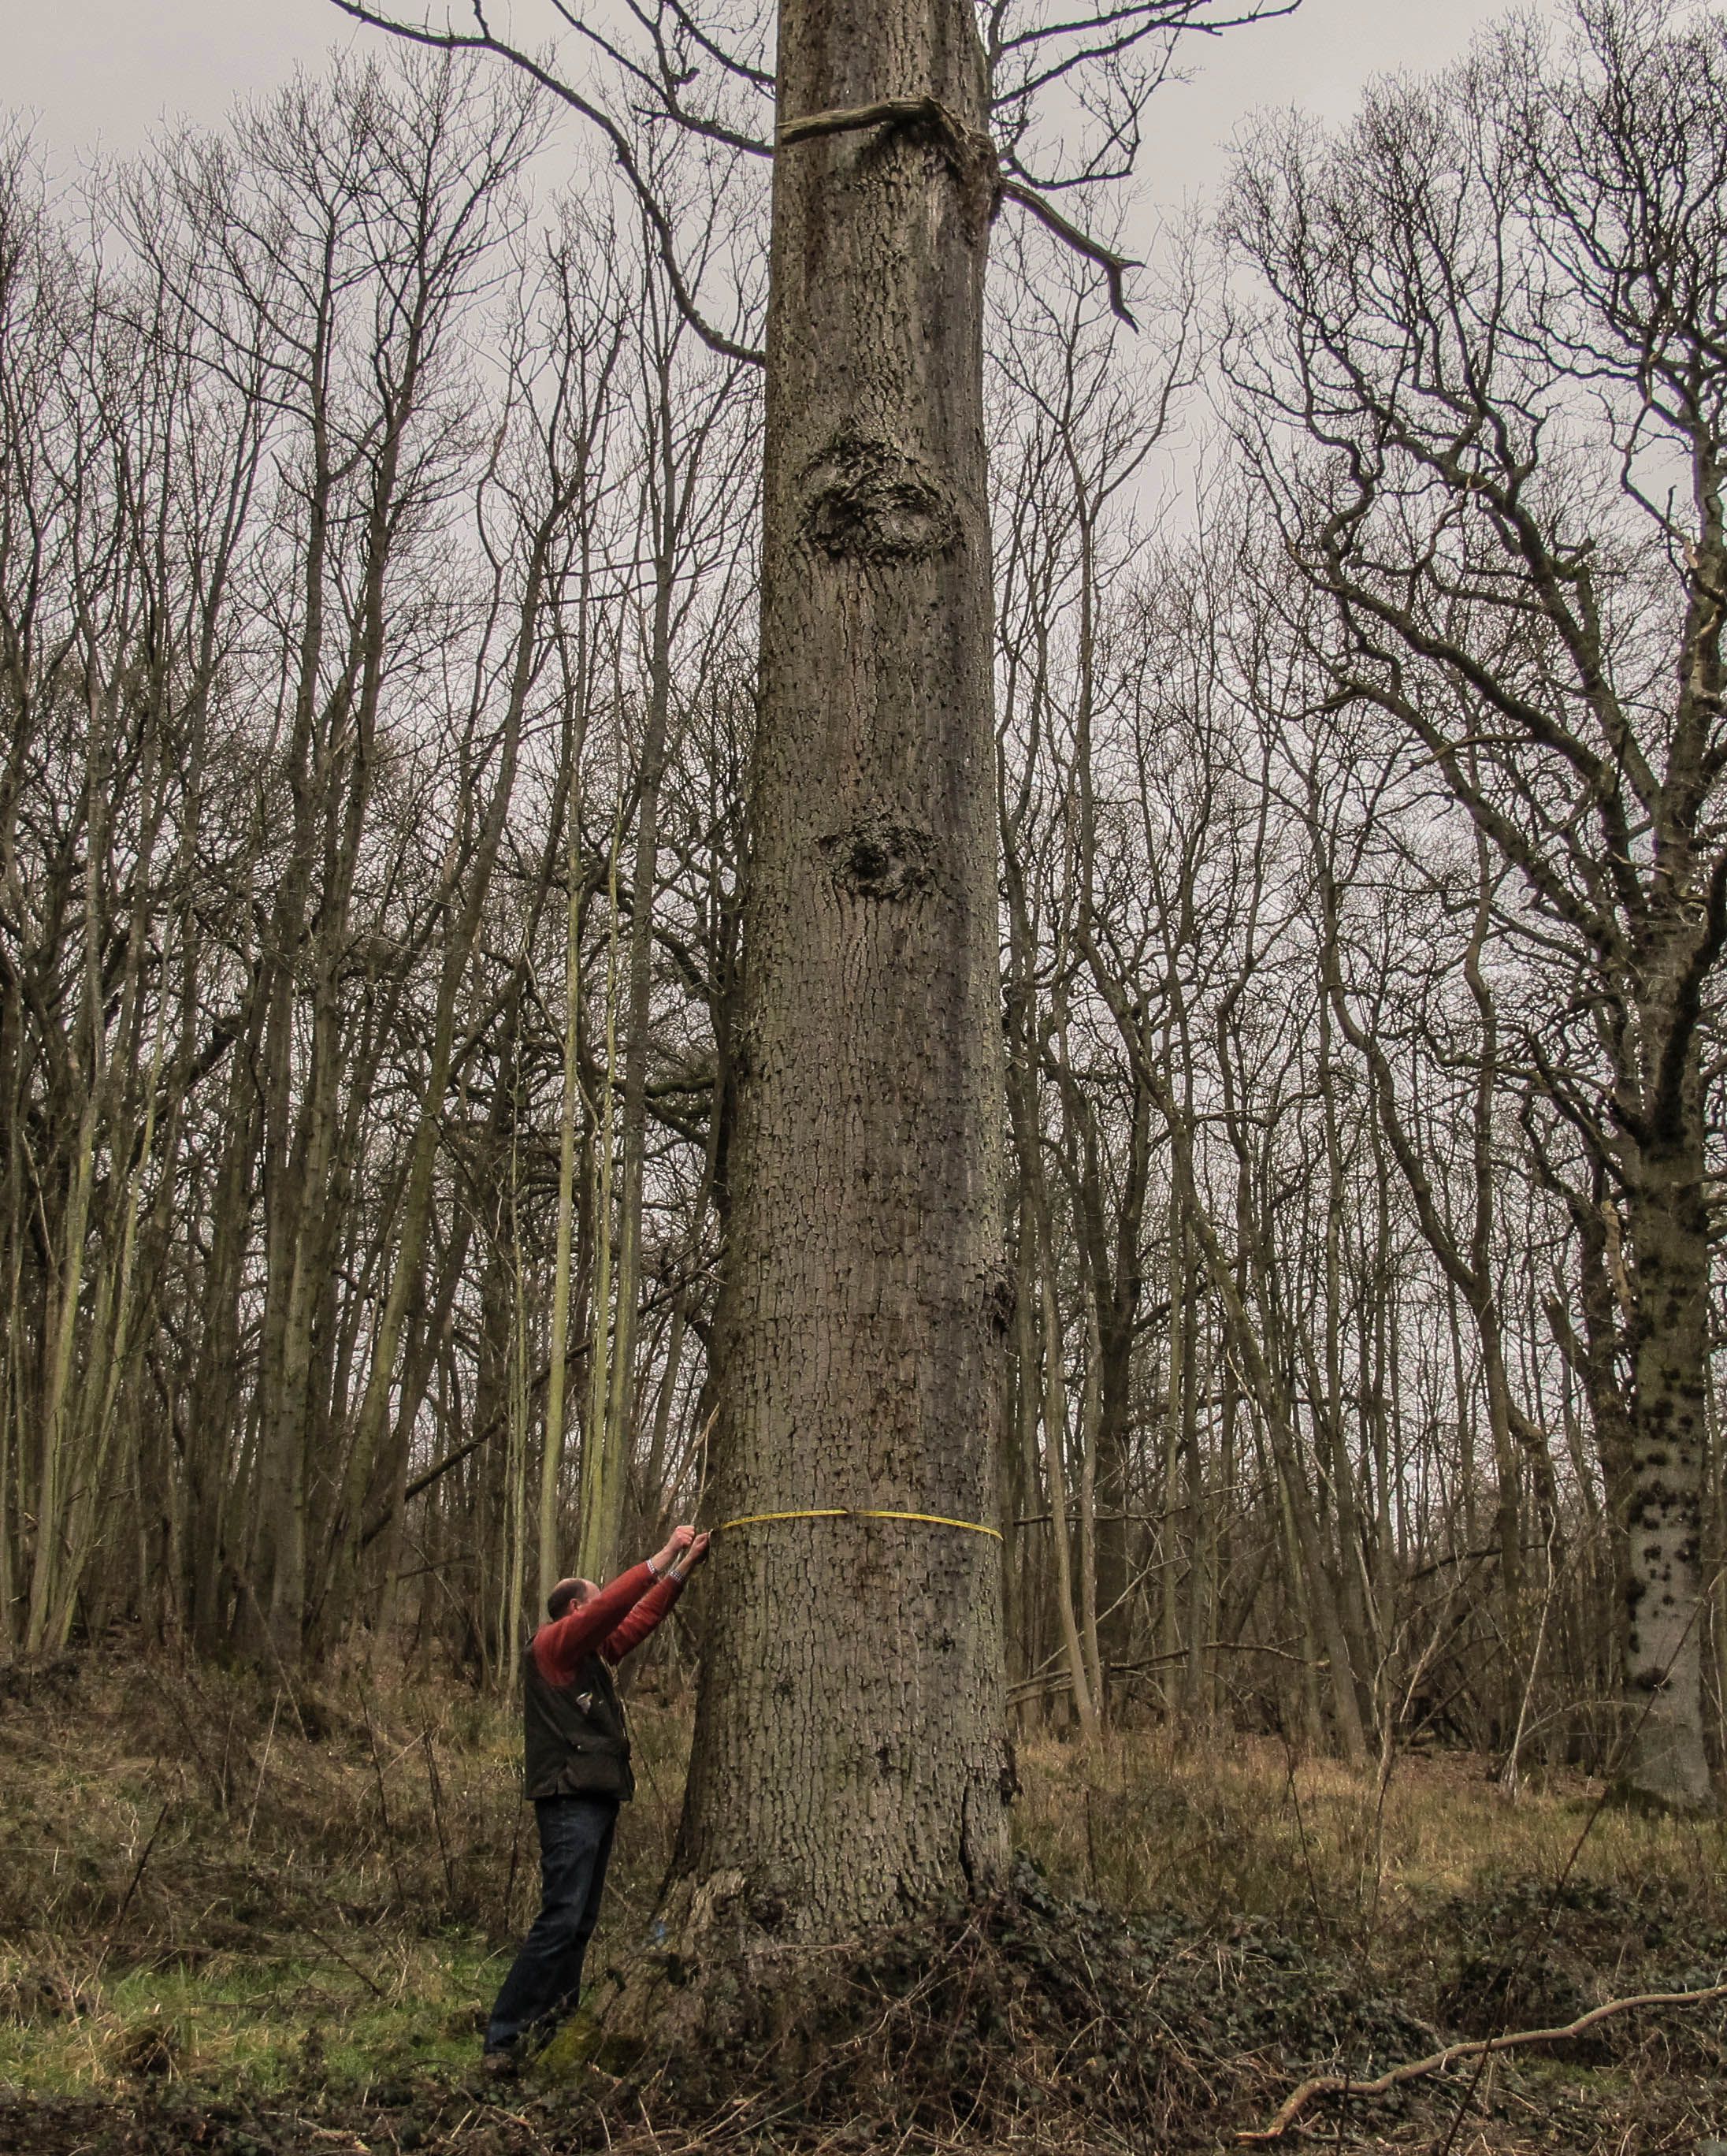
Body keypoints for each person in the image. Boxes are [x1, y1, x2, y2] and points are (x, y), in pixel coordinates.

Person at [483, 1522, 711, 2072]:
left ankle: (554, 2025)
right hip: (569, 1798)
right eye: (592, 1596)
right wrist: (662, 1556)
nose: (600, 1603)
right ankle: (504, 2037)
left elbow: (632, 1622)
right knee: (561, 1917)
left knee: (580, 1921)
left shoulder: (587, 1655)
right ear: (574, 1611)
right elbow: (612, 1608)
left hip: (595, 1794)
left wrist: (680, 1573)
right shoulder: (553, 1645)